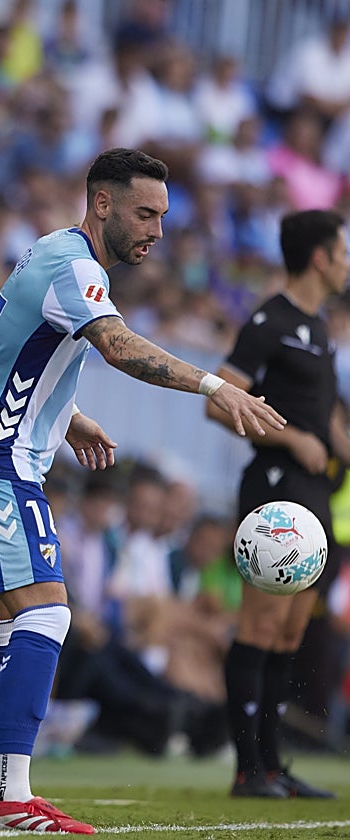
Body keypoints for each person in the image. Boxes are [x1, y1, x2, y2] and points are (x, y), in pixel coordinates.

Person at [0, 148, 285, 833]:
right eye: (145, 213)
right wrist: (214, 383)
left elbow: (8, 352)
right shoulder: (73, 265)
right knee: (48, 615)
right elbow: (118, 347)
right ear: (103, 203)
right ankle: (12, 795)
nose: (156, 229)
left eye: (164, 217)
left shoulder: (53, 254)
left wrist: (69, 417)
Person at [206, 208, 350, 799]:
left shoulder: (318, 329)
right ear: (320, 257)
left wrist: (333, 443)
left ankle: (273, 762)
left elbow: (328, 421)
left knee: (290, 633)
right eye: (342, 252)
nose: (346, 264)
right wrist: (292, 439)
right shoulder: (269, 320)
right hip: (273, 488)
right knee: (261, 626)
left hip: (315, 495)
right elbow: (218, 401)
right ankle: (247, 770)